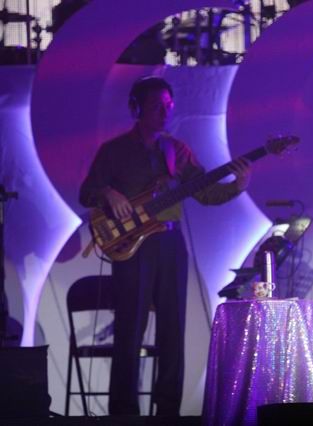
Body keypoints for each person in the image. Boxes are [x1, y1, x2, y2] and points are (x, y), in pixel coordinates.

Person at [79, 76, 251, 415]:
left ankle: (168, 410)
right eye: (157, 106)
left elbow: (205, 193)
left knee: (173, 328)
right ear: (136, 108)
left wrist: (237, 186)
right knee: (130, 327)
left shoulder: (178, 151)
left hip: (170, 242)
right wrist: (108, 193)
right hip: (131, 246)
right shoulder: (114, 151)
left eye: (169, 106)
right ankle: (123, 412)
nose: (165, 112)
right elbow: (86, 192)